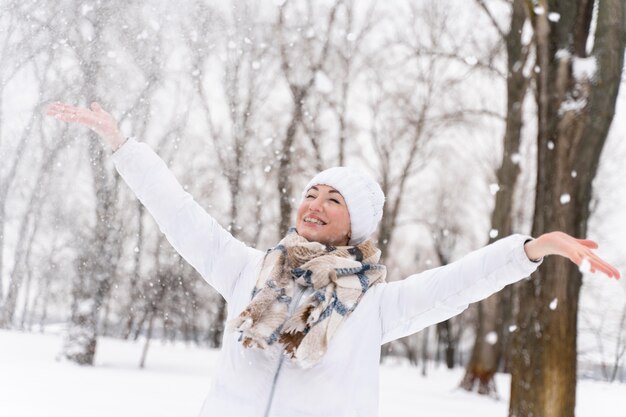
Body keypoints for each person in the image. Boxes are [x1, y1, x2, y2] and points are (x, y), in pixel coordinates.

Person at [46, 102, 620, 417]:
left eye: (334, 199)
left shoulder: (375, 303)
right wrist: (124, 146)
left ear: (358, 223)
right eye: (311, 193)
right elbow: (179, 214)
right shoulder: (249, 270)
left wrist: (529, 249)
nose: (315, 203)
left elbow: (456, 284)